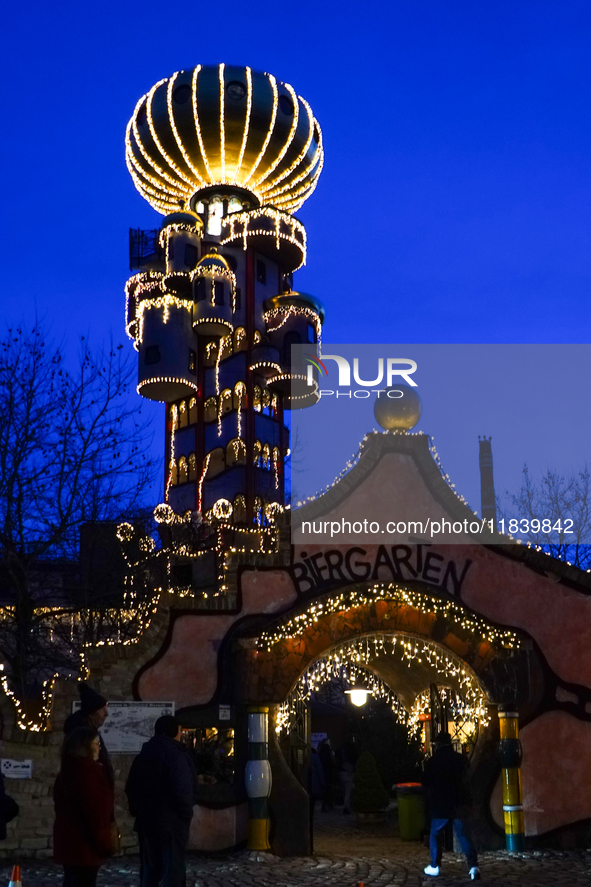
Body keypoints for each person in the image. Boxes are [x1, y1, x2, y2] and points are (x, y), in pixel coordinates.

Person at [125, 715, 199, 887]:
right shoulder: (176, 755)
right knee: (172, 872)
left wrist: (138, 811)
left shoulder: (144, 754)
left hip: (147, 822)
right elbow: (183, 790)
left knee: (150, 870)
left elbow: (131, 788)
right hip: (171, 825)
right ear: (175, 732)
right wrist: (185, 815)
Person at [53, 726, 115, 887]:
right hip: (85, 844)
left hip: (71, 841)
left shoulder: (68, 769)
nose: (98, 748)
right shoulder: (88, 771)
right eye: (96, 744)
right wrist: (104, 842)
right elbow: (96, 810)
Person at [422, 731, 480, 880]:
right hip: (458, 802)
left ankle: (435, 865)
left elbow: (426, 783)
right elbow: (468, 780)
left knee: (435, 835)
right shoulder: (460, 760)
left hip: (440, 804)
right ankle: (473, 866)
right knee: (463, 835)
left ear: (438, 745)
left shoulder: (432, 762)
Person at [64, 682, 113, 785]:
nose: (106, 714)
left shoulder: (87, 732)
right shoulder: (83, 737)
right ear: (91, 713)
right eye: (102, 710)